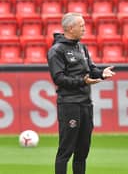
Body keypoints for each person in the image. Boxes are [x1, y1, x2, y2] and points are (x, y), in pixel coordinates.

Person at [47, 12, 116, 174]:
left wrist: (101, 74)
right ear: (70, 28)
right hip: (69, 104)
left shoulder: (82, 47)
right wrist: (82, 82)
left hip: (86, 103)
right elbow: (59, 78)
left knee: (82, 150)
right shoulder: (56, 50)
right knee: (66, 150)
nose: (84, 29)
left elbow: (90, 69)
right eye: (82, 26)